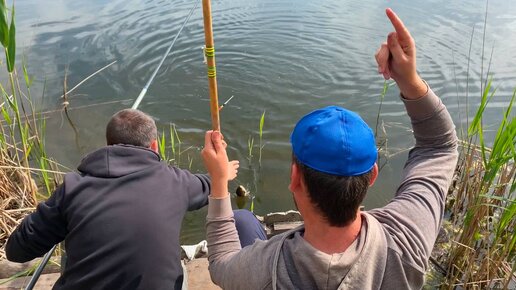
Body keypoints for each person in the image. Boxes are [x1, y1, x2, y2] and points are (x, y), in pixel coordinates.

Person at [201, 8, 458, 290]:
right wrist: (410, 80)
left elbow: (221, 262)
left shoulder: (264, 268)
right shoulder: (406, 243)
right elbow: (440, 147)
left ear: (295, 177)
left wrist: (219, 181)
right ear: (372, 175)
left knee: (242, 220)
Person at [6, 109, 239, 289]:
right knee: (180, 270)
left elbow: (15, 251)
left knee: (70, 245)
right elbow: (210, 185)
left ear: (108, 145)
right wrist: (223, 173)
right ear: (155, 146)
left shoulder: (72, 188)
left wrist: (53, 212)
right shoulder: (175, 182)